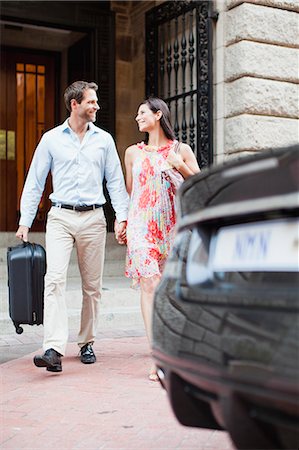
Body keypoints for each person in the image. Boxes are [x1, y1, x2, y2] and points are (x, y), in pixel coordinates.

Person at [16, 80, 129, 373]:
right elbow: (35, 181)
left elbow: (115, 181)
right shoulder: (51, 139)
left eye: (96, 101)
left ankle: (86, 342)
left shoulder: (104, 140)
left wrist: (122, 216)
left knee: (92, 287)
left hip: (93, 218)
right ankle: (52, 347)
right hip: (61, 217)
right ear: (75, 104)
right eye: (91, 101)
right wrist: (25, 221)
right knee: (53, 279)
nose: (97, 106)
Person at [123, 97, 200, 381]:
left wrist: (180, 165)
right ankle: (158, 356)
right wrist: (124, 222)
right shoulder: (133, 153)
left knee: (168, 289)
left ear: (158, 115)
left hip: (172, 228)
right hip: (141, 227)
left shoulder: (181, 150)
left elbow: (199, 187)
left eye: (142, 113)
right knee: (150, 285)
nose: (137, 118)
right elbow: (132, 192)